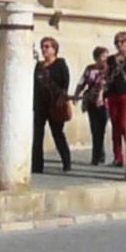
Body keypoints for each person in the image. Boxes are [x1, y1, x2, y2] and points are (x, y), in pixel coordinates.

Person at [33, 36, 74, 173]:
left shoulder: (60, 63)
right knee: (37, 134)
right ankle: (37, 165)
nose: (44, 49)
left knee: (57, 133)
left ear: (54, 49)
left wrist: (62, 97)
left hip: (55, 103)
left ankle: (66, 161)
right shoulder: (39, 66)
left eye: (47, 46)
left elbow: (65, 82)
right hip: (40, 104)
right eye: (42, 46)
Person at [78, 47, 113, 166]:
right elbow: (82, 82)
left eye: (106, 56)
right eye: (102, 56)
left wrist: (101, 95)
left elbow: (108, 85)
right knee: (94, 128)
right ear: (96, 57)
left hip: (105, 103)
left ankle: (97, 156)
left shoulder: (109, 70)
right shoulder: (90, 69)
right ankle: (99, 154)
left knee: (100, 129)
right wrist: (76, 94)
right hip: (91, 101)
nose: (105, 59)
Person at [105, 28, 126, 163]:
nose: (119, 44)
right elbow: (107, 75)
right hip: (113, 94)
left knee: (124, 125)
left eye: (122, 42)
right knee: (115, 127)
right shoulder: (111, 59)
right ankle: (118, 157)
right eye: (117, 42)